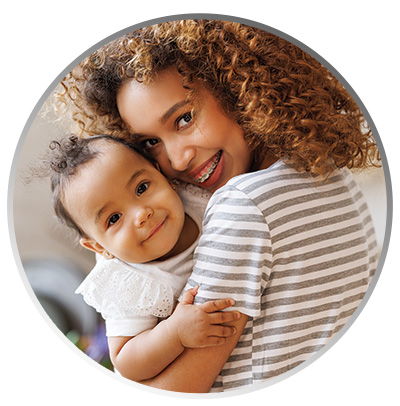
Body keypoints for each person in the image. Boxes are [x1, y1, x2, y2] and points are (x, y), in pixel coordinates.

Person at [55, 20, 380, 392]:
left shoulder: (241, 205)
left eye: (185, 118)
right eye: (149, 143)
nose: (176, 161)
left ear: (234, 86)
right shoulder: (326, 168)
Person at [45, 134, 241, 382]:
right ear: (98, 247)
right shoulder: (129, 283)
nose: (141, 214)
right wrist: (174, 333)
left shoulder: (198, 197)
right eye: (114, 219)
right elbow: (125, 361)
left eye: (142, 188)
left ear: (163, 177)